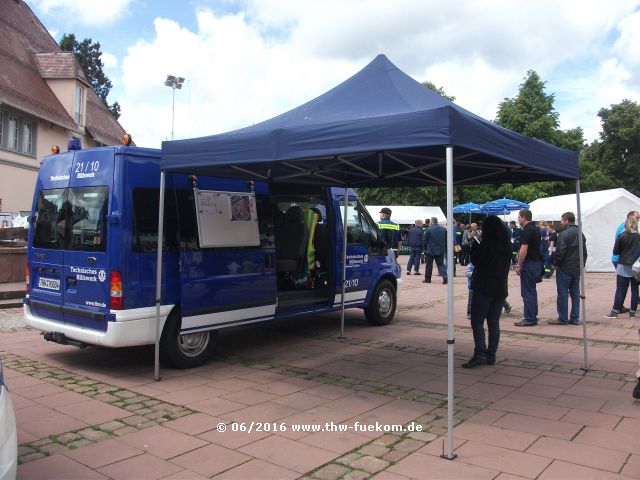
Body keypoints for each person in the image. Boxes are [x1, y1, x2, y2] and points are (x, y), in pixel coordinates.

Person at [462, 215, 512, 368]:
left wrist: (475, 245)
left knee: (477, 321)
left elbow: (476, 260)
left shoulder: (486, 245)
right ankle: (491, 355)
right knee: (493, 322)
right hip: (500, 288)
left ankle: (480, 353)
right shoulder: (506, 246)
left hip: (484, 288)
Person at [549, 212, 587, 325]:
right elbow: (584, 252)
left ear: (566, 220)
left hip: (565, 267)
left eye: (561, 220)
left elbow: (561, 251)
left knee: (563, 293)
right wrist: (582, 264)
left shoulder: (564, 234)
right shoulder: (580, 233)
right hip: (576, 267)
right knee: (575, 293)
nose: (560, 222)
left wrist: (555, 264)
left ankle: (563, 318)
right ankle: (574, 318)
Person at [604, 215, 640, 318]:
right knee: (635, 289)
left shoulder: (622, 235)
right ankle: (632, 312)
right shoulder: (638, 236)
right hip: (635, 266)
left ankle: (615, 312)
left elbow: (615, 251)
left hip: (623, 265)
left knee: (620, 289)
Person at [514, 209, 542, 326]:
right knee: (532, 290)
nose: (518, 219)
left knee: (527, 292)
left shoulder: (527, 230)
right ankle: (533, 314)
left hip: (529, 264)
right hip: (536, 263)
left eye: (519, 217)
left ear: (523, 217)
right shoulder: (536, 229)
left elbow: (524, 249)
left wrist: (519, 265)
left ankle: (530, 318)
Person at [422, 217, 447, 284]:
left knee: (429, 265)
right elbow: (446, 240)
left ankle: (428, 279)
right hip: (440, 249)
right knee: (441, 264)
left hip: (430, 250)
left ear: (431, 222)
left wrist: (425, 248)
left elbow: (424, 240)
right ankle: (445, 276)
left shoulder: (428, 229)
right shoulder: (444, 229)